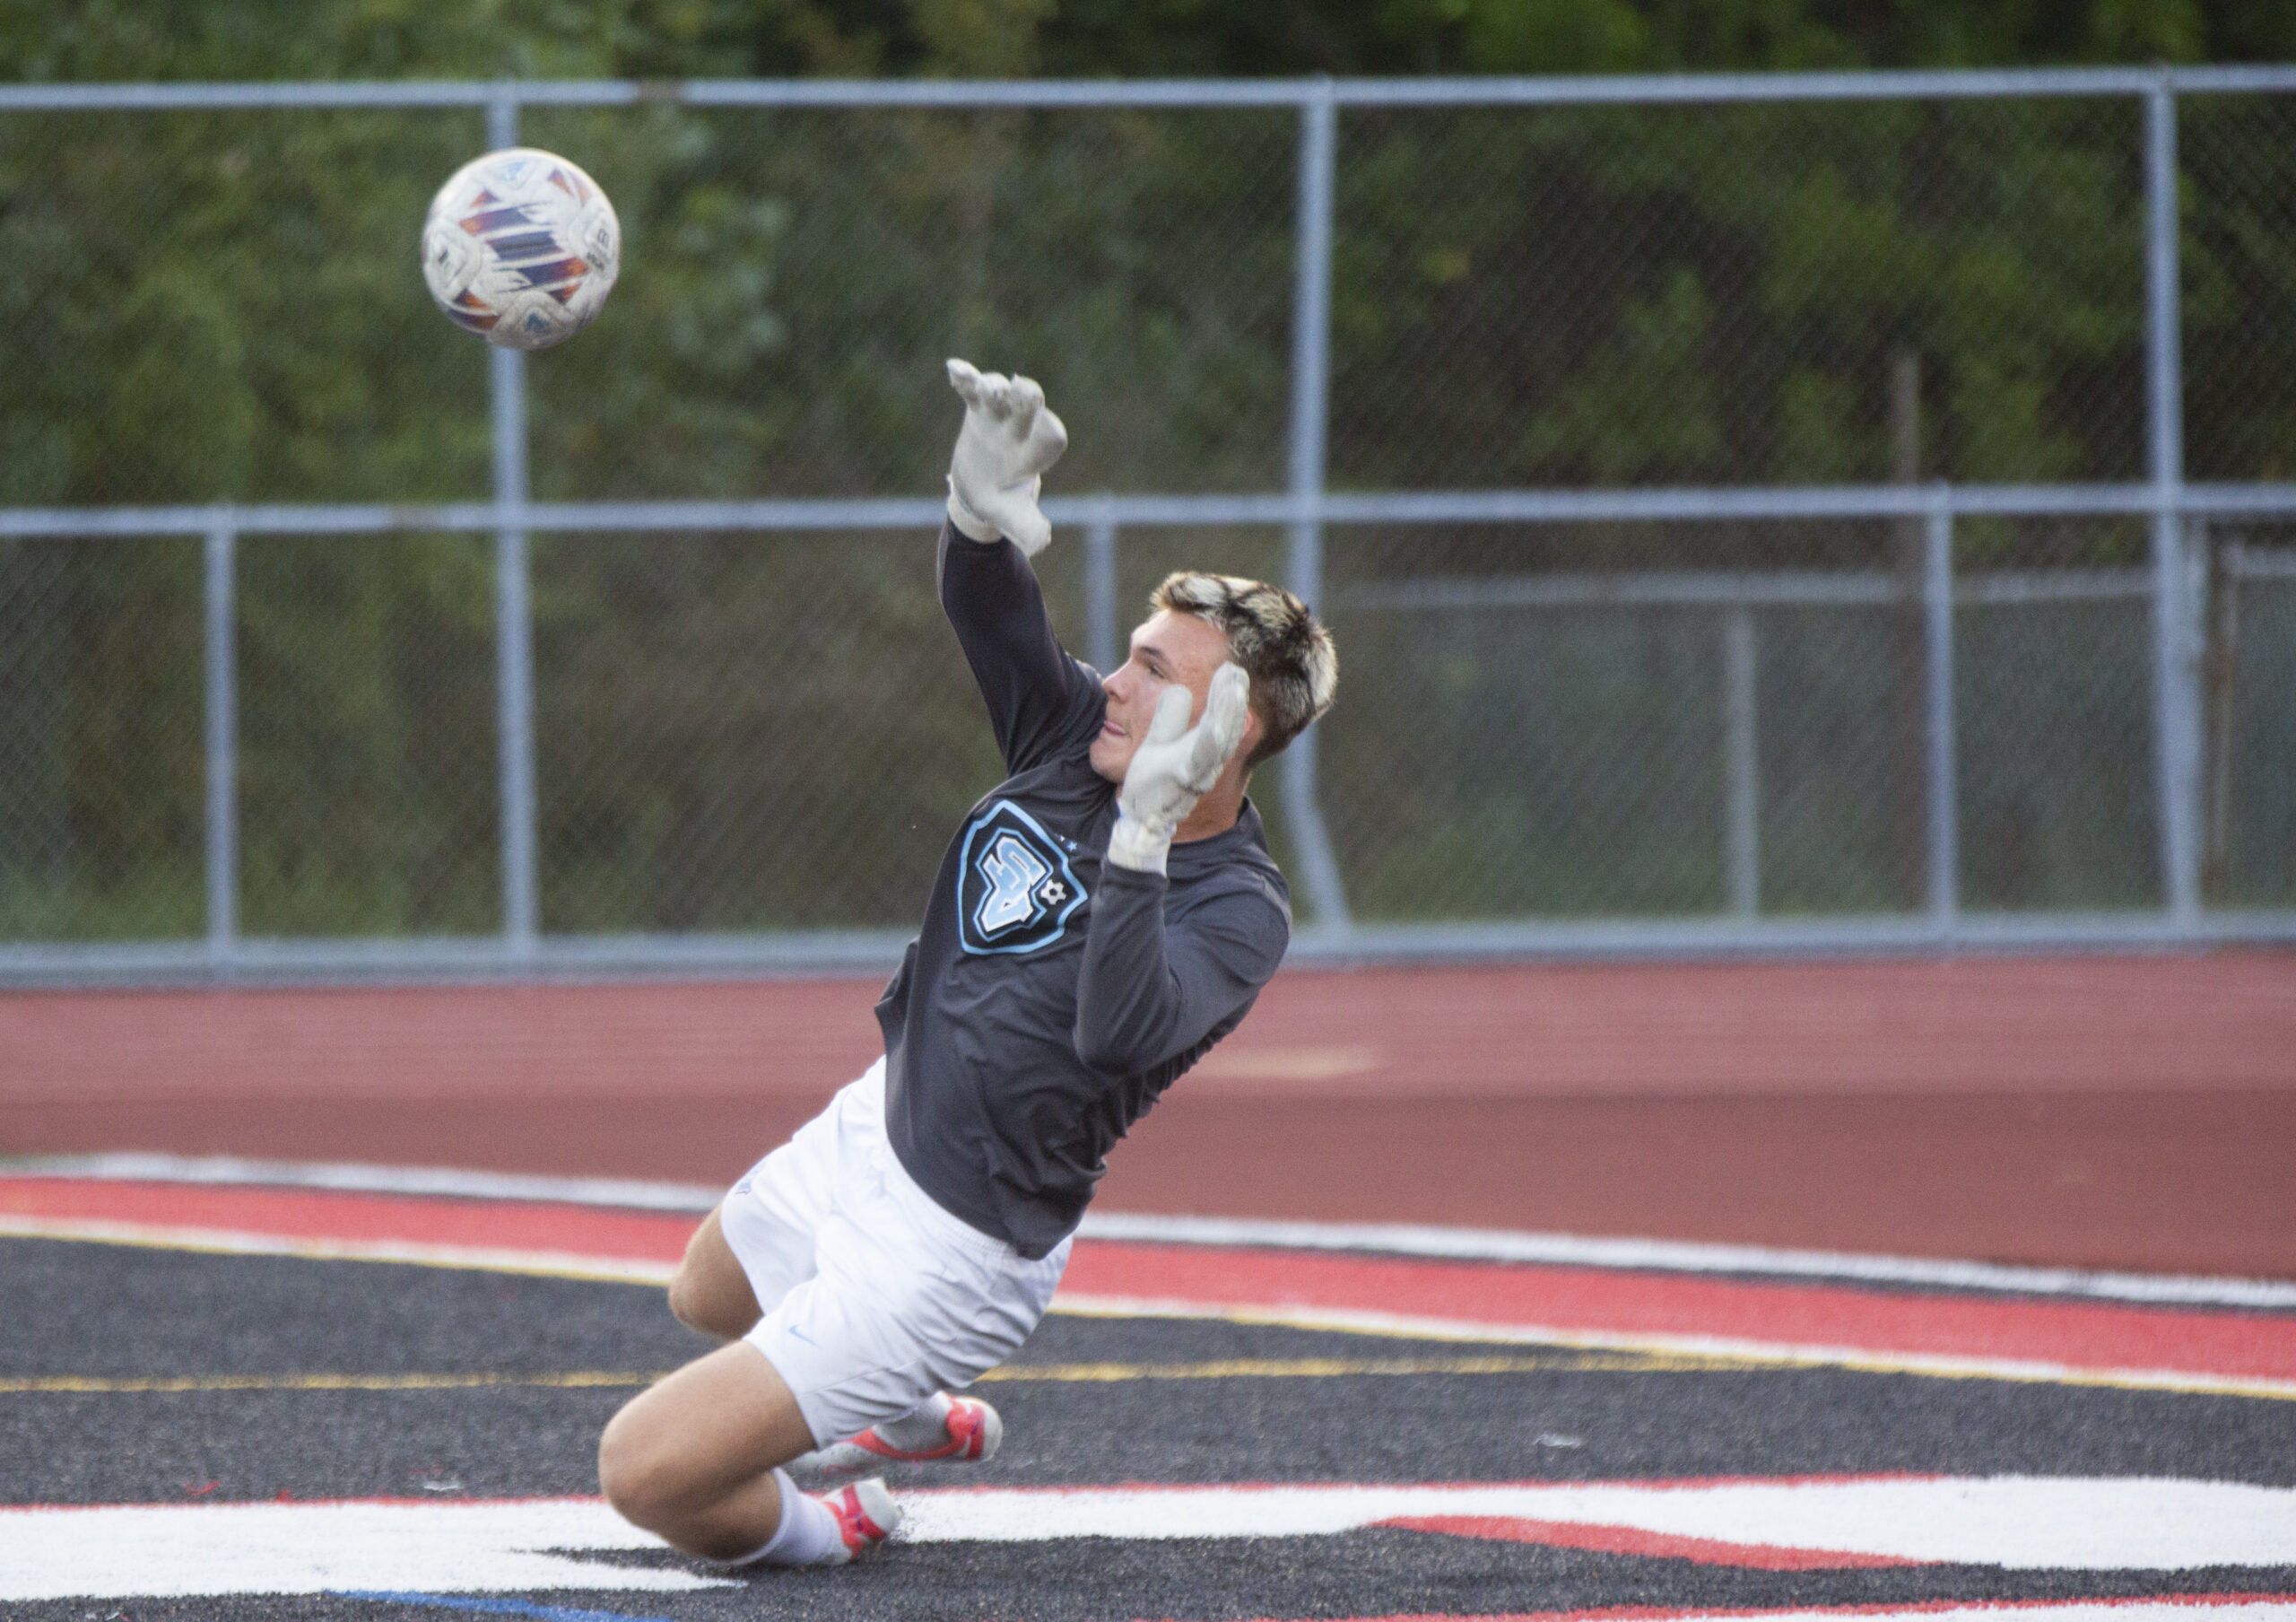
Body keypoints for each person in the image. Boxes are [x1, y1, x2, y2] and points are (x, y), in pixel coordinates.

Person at [596, 359, 1338, 1569]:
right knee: (703, 1296)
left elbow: (1113, 1032)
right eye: (1130, 652)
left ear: (1233, 730)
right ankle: (904, 1416)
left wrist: (1143, 841)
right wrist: (973, 510)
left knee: (649, 1474)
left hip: (956, 1244)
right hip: (876, 1126)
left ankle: (826, 1529)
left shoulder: (1241, 908)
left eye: (1156, 672)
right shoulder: (1072, 736)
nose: (1113, 678)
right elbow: (992, 615)